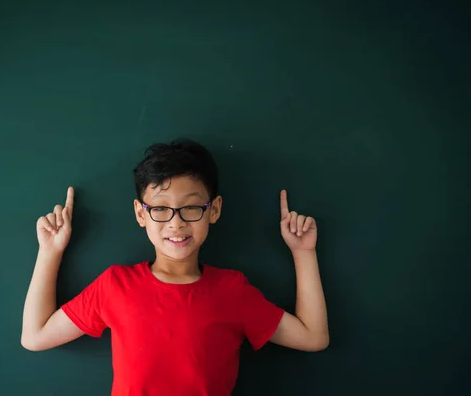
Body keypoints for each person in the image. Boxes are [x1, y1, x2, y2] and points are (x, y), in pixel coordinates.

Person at [21, 139, 329, 396]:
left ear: (215, 209)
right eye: (160, 209)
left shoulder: (232, 290)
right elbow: (35, 336)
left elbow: (313, 337)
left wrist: (303, 253)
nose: (176, 222)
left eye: (191, 207)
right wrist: (49, 251)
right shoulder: (116, 285)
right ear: (141, 214)